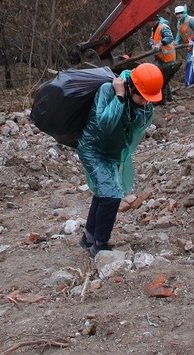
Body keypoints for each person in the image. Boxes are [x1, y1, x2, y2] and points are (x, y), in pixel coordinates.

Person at [76, 63, 163, 257]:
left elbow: (140, 124)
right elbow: (106, 124)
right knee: (112, 194)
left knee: (103, 192)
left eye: (150, 100)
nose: (146, 103)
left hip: (112, 153)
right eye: (143, 98)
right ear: (131, 87)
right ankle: (100, 244)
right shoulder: (107, 90)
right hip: (93, 149)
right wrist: (120, 96)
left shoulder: (143, 103)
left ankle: (88, 237)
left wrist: (139, 105)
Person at [173, 4, 194, 86]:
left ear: (184, 12)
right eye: (177, 14)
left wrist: (193, 40)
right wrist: (176, 43)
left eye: (180, 13)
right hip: (189, 45)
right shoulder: (179, 23)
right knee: (190, 62)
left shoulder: (191, 20)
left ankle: (190, 83)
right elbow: (179, 34)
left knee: (193, 62)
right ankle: (191, 82)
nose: (178, 15)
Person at [149, 14, 177, 104]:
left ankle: (162, 100)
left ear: (153, 20)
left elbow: (169, 38)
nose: (148, 24)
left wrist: (160, 44)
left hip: (167, 57)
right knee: (165, 78)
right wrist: (152, 45)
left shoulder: (163, 27)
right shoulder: (154, 28)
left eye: (149, 22)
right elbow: (151, 40)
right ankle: (168, 97)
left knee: (162, 78)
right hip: (160, 56)